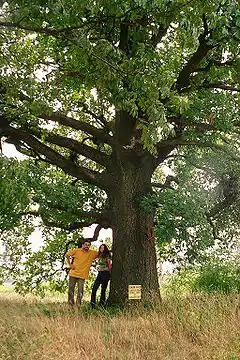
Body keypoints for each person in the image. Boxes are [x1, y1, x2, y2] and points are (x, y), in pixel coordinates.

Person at [65, 239, 98, 307]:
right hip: (73, 274)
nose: (87, 246)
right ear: (82, 245)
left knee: (80, 292)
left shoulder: (92, 253)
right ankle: (70, 305)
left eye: (88, 245)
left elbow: (101, 253)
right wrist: (70, 265)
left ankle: (78, 306)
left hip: (82, 275)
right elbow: (67, 255)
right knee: (70, 291)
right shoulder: (76, 251)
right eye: (86, 244)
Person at [90, 244, 112, 308]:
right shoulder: (99, 255)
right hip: (99, 273)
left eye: (103, 248)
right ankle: (92, 304)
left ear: (105, 249)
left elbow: (109, 265)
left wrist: (110, 274)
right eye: (100, 248)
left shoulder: (107, 255)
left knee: (103, 289)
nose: (101, 249)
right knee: (94, 289)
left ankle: (102, 304)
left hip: (106, 273)